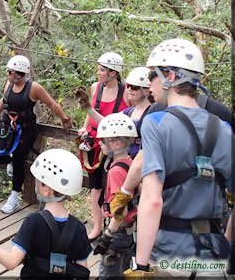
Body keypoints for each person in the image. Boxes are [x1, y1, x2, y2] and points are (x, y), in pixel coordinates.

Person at [123, 38, 232, 277]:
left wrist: (140, 266)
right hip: (213, 257)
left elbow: (152, 200)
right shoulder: (224, 128)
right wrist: (227, 243)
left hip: (170, 254)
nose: (149, 83)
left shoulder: (156, 123)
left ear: (170, 76)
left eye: (153, 74)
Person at [0, 149, 92, 279]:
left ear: (46, 189)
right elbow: (82, 271)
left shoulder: (34, 222)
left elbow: (11, 261)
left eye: (38, 181)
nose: (35, 184)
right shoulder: (78, 227)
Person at [0, 55, 72, 214]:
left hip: (25, 130)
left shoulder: (34, 88)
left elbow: (51, 103)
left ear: (18, 73)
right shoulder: (9, 84)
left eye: (10, 72)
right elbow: (3, 98)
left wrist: (64, 118)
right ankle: (10, 161)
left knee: (19, 161)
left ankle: (14, 197)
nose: (7, 74)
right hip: (9, 127)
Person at [77, 52, 129, 241]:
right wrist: (85, 126)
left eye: (102, 70)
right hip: (94, 143)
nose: (98, 73)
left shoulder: (125, 92)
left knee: (113, 184)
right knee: (95, 186)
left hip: (114, 145)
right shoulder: (95, 88)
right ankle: (97, 227)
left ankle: (114, 225)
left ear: (113, 73)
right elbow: (91, 110)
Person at [92, 113, 138, 278]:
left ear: (116, 143)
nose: (99, 143)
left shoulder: (116, 171)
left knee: (109, 274)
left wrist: (106, 237)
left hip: (118, 232)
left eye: (103, 141)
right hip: (130, 231)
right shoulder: (130, 163)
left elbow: (120, 211)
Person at [121, 67, 152, 159]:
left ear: (146, 91)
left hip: (142, 160)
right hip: (128, 158)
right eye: (128, 86)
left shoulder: (152, 112)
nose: (129, 89)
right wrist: (89, 109)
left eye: (134, 87)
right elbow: (109, 122)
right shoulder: (130, 111)